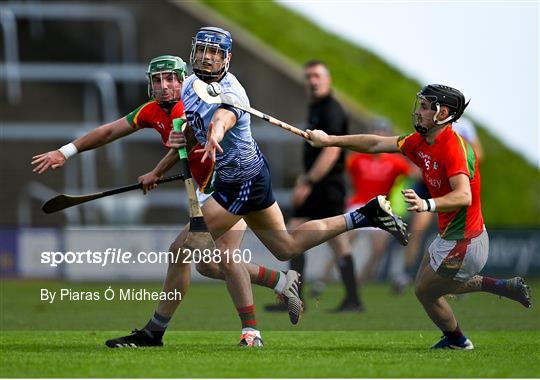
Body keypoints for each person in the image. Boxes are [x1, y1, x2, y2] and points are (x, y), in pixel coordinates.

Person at [156, 26, 407, 345]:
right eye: (202, 50)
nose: (206, 57)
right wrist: (162, 166)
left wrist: (215, 136)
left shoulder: (233, 93)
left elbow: (222, 119)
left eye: (214, 52)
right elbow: (197, 124)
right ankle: (363, 216)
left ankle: (171, 331)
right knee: (285, 246)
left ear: (226, 58)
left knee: (185, 250)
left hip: (241, 183)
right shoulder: (191, 85)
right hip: (249, 177)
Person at [31, 55, 301, 348]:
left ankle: (245, 333)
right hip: (207, 189)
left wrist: (158, 169)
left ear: (183, 79)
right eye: (157, 80)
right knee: (207, 266)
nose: (164, 86)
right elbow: (110, 131)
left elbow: (193, 136)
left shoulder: (192, 103)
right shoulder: (150, 111)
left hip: (228, 184)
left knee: (206, 254)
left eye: (171, 79)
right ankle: (281, 281)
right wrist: (66, 151)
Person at [307, 84, 532, 350]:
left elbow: (463, 196)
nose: (419, 112)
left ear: (443, 112)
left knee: (425, 292)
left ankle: (458, 341)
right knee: (430, 286)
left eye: (426, 107)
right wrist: (330, 140)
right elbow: (377, 143)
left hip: (465, 243)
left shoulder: (453, 147)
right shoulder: (420, 141)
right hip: (448, 238)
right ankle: (503, 287)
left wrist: (427, 204)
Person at [265, 60, 363, 313]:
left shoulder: (331, 109)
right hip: (319, 183)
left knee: (330, 240)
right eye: (308, 76)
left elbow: (330, 151)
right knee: (296, 232)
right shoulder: (317, 107)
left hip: (327, 185)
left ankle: (350, 299)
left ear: (328, 79)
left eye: (317, 76)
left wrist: (307, 181)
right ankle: (297, 297)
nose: (312, 81)